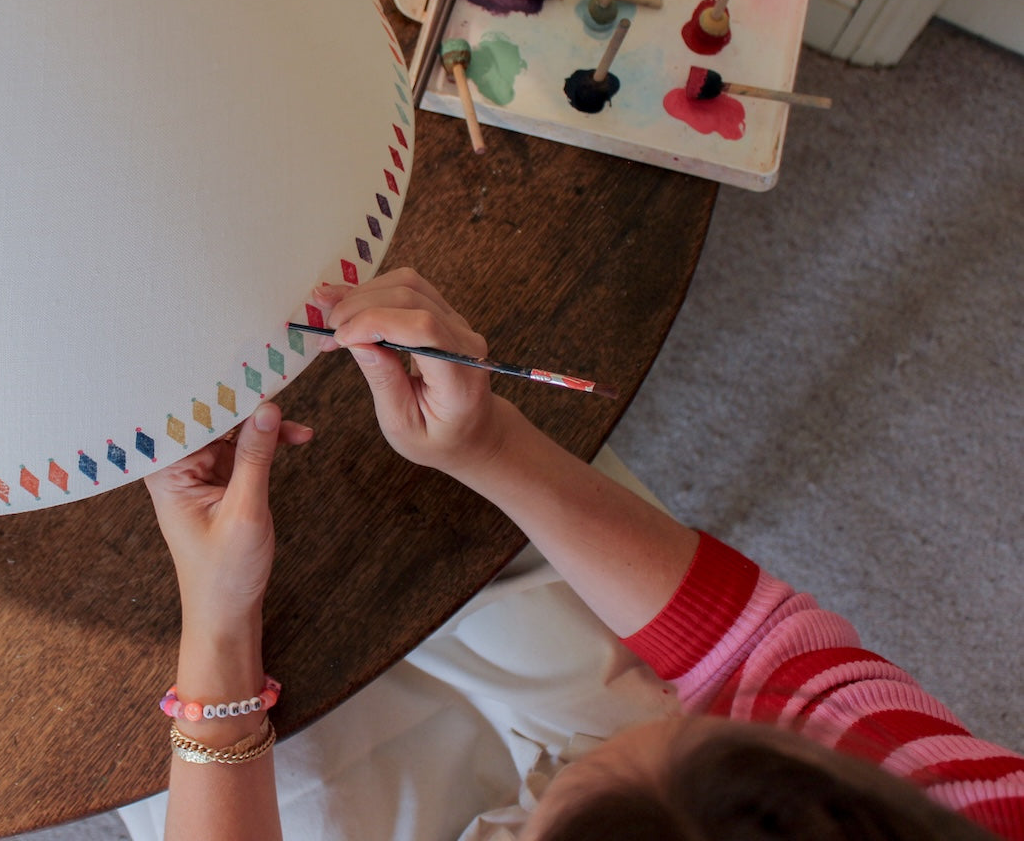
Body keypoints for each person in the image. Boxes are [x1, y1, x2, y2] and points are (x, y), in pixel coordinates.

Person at [141, 268, 1024, 841]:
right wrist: (485, 443)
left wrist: (217, 636)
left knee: (142, 730)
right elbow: (763, 652)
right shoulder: (978, 815)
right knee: (494, 571)